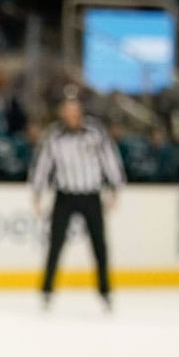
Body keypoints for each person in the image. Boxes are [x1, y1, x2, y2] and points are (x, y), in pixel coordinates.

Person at [29, 94, 125, 310]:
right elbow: (42, 165)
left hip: (91, 194)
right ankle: (46, 290)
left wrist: (115, 188)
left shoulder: (95, 133)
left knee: (99, 245)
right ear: (62, 113)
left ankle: (105, 291)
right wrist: (37, 193)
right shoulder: (54, 136)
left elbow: (109, 159)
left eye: (75, 111)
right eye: (68, 111)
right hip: (65, 195)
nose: (72, 115)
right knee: (55, 243)